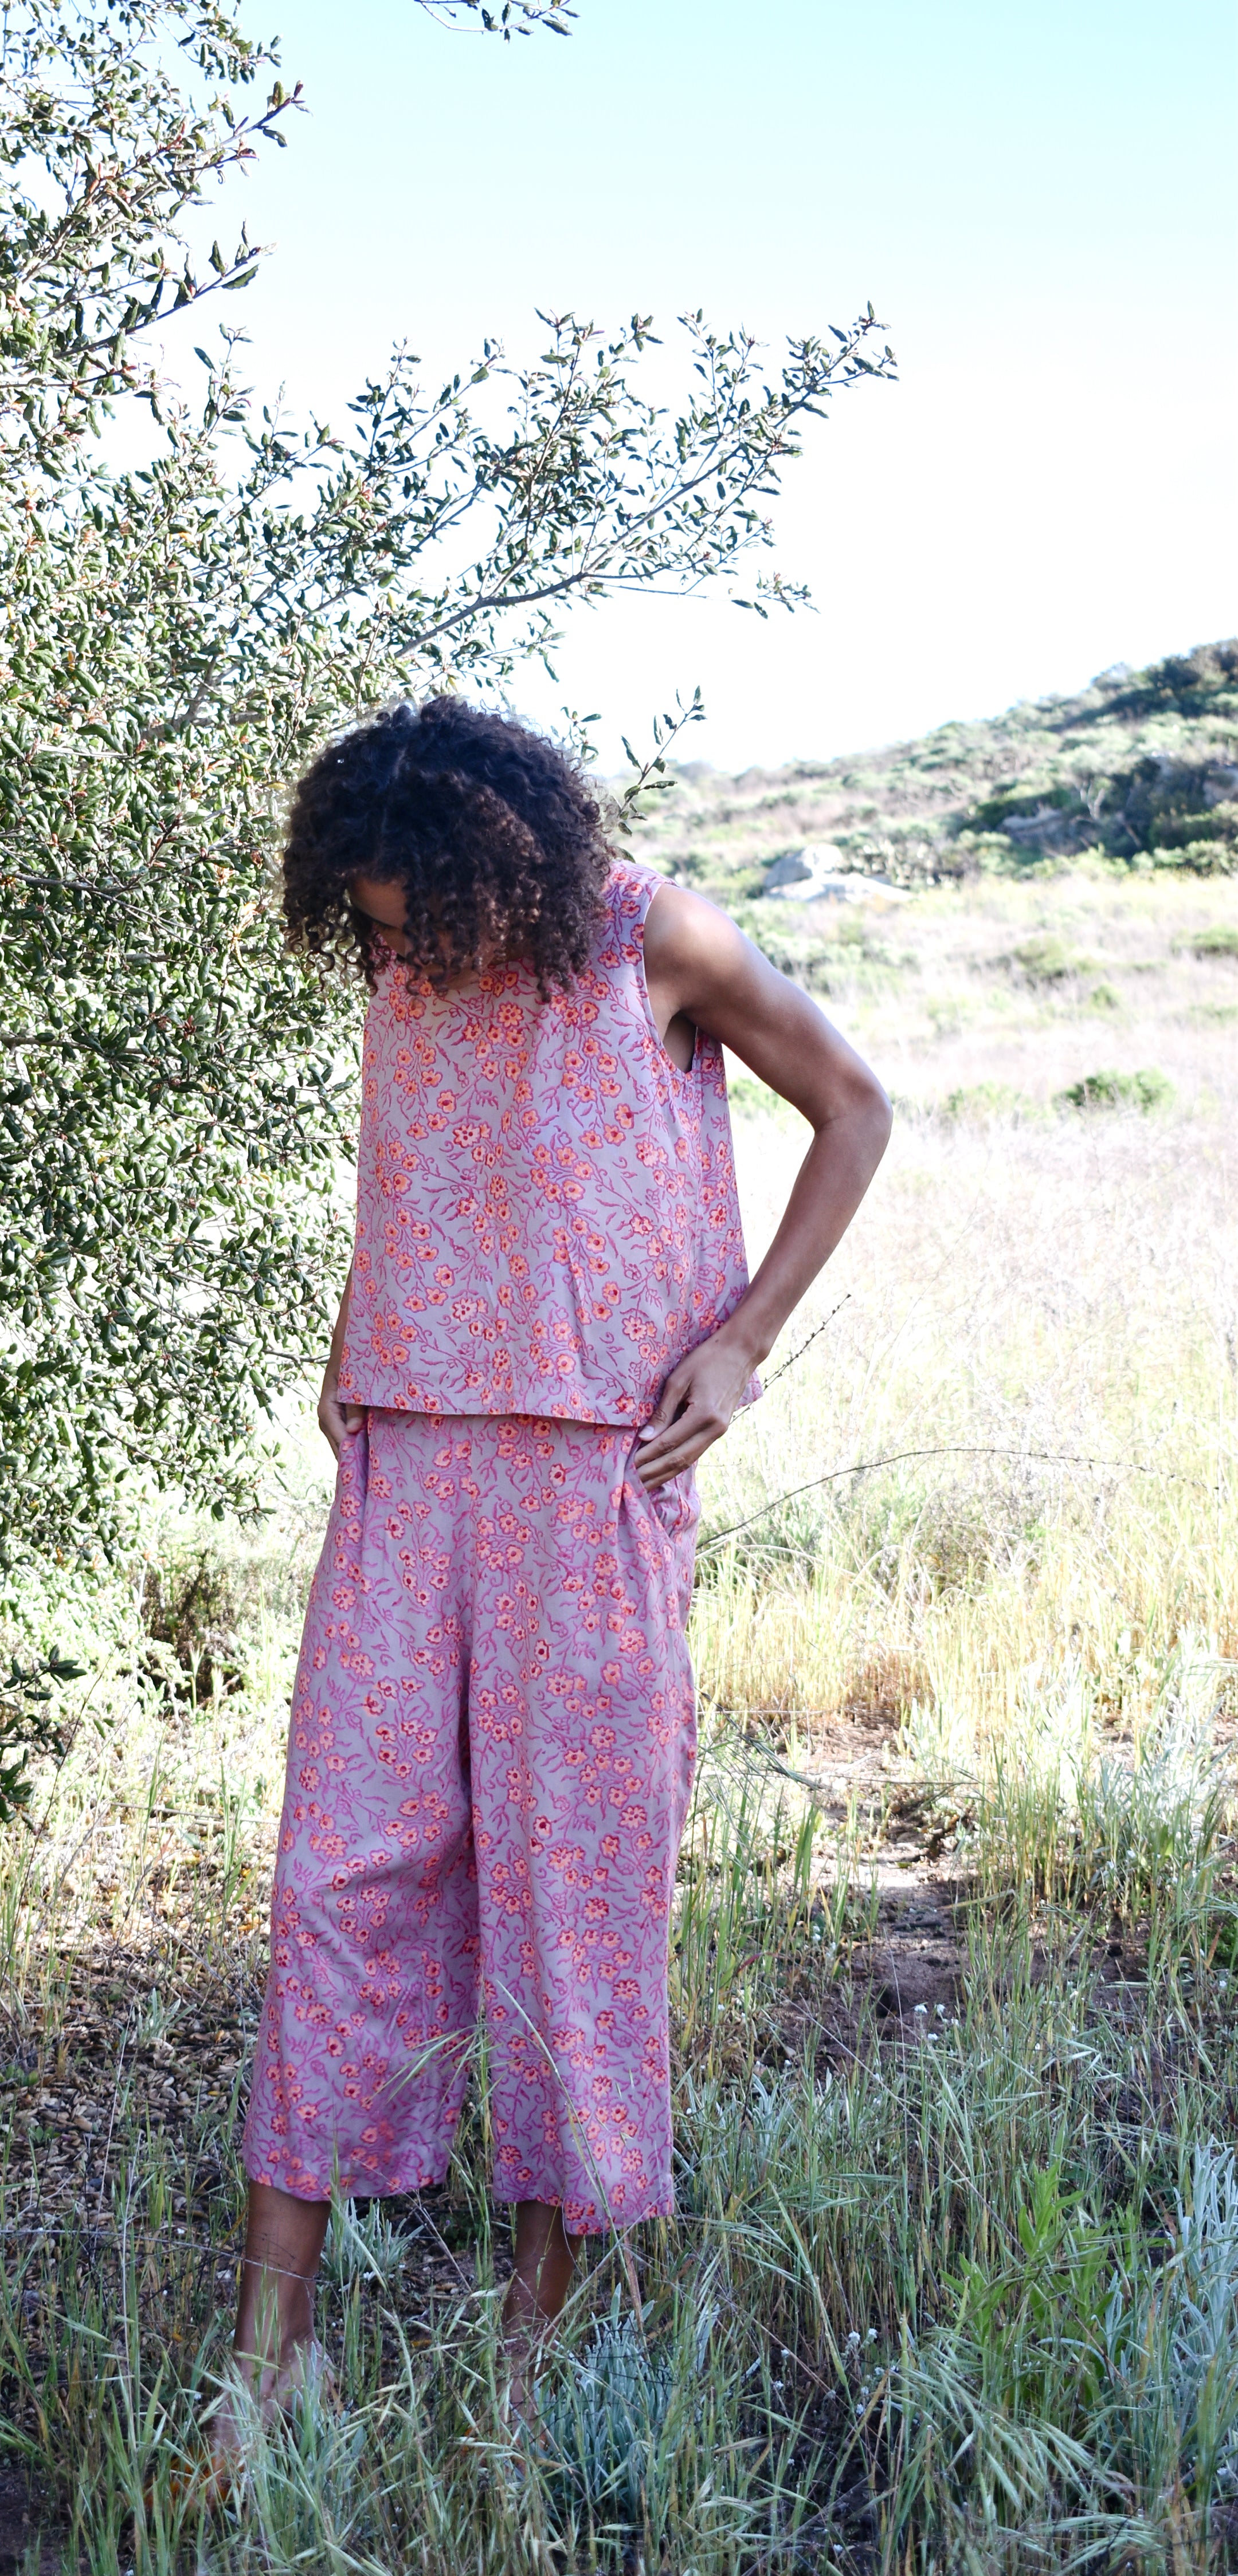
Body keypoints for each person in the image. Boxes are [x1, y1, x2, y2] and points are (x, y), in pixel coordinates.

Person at [226, 695, 891, 2424]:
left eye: (402, 913)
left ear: (488, 861)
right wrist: (353, 1344)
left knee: (569, 1904)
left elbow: (856, 1106)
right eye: (365, 920)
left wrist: (743, 1344)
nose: (385, 946)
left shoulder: (644, 932)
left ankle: (535, 2358)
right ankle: (266, 2367)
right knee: (336, 1882)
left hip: (587, 1478)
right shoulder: (409, 952)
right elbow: (424, 1177)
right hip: (406, 1456)